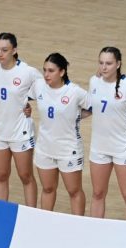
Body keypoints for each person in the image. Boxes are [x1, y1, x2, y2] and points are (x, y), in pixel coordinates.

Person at [29, 52, 91, 215]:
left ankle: (77, 226)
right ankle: (46, 223)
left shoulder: (75, 92)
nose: (46, 75)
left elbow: (94, 107)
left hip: (68, 149)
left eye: (51, 71)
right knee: (48, 188)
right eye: (45, 70)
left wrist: (76, 116)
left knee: (74, 191)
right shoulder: (39, 86)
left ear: (62, 72)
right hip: (44, 148)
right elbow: (23, 97)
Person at [89, 47, 126, 220]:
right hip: (99, 147)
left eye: (109, 63)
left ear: (118, 64)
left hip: (123, 147)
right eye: (101, 63)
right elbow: (91, 108)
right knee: (98, 193)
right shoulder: (94, 82)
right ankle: (94, 232)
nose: (104, 67)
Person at [0, 32, 40, 206]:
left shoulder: (28, 72)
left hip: (20, 132)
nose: (0, 54)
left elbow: (48, 88)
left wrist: (29, 102)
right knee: (1, 175)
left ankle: (31, 215)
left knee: (26, 176)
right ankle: (1, 213)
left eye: (4, 50)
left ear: (14, 50)